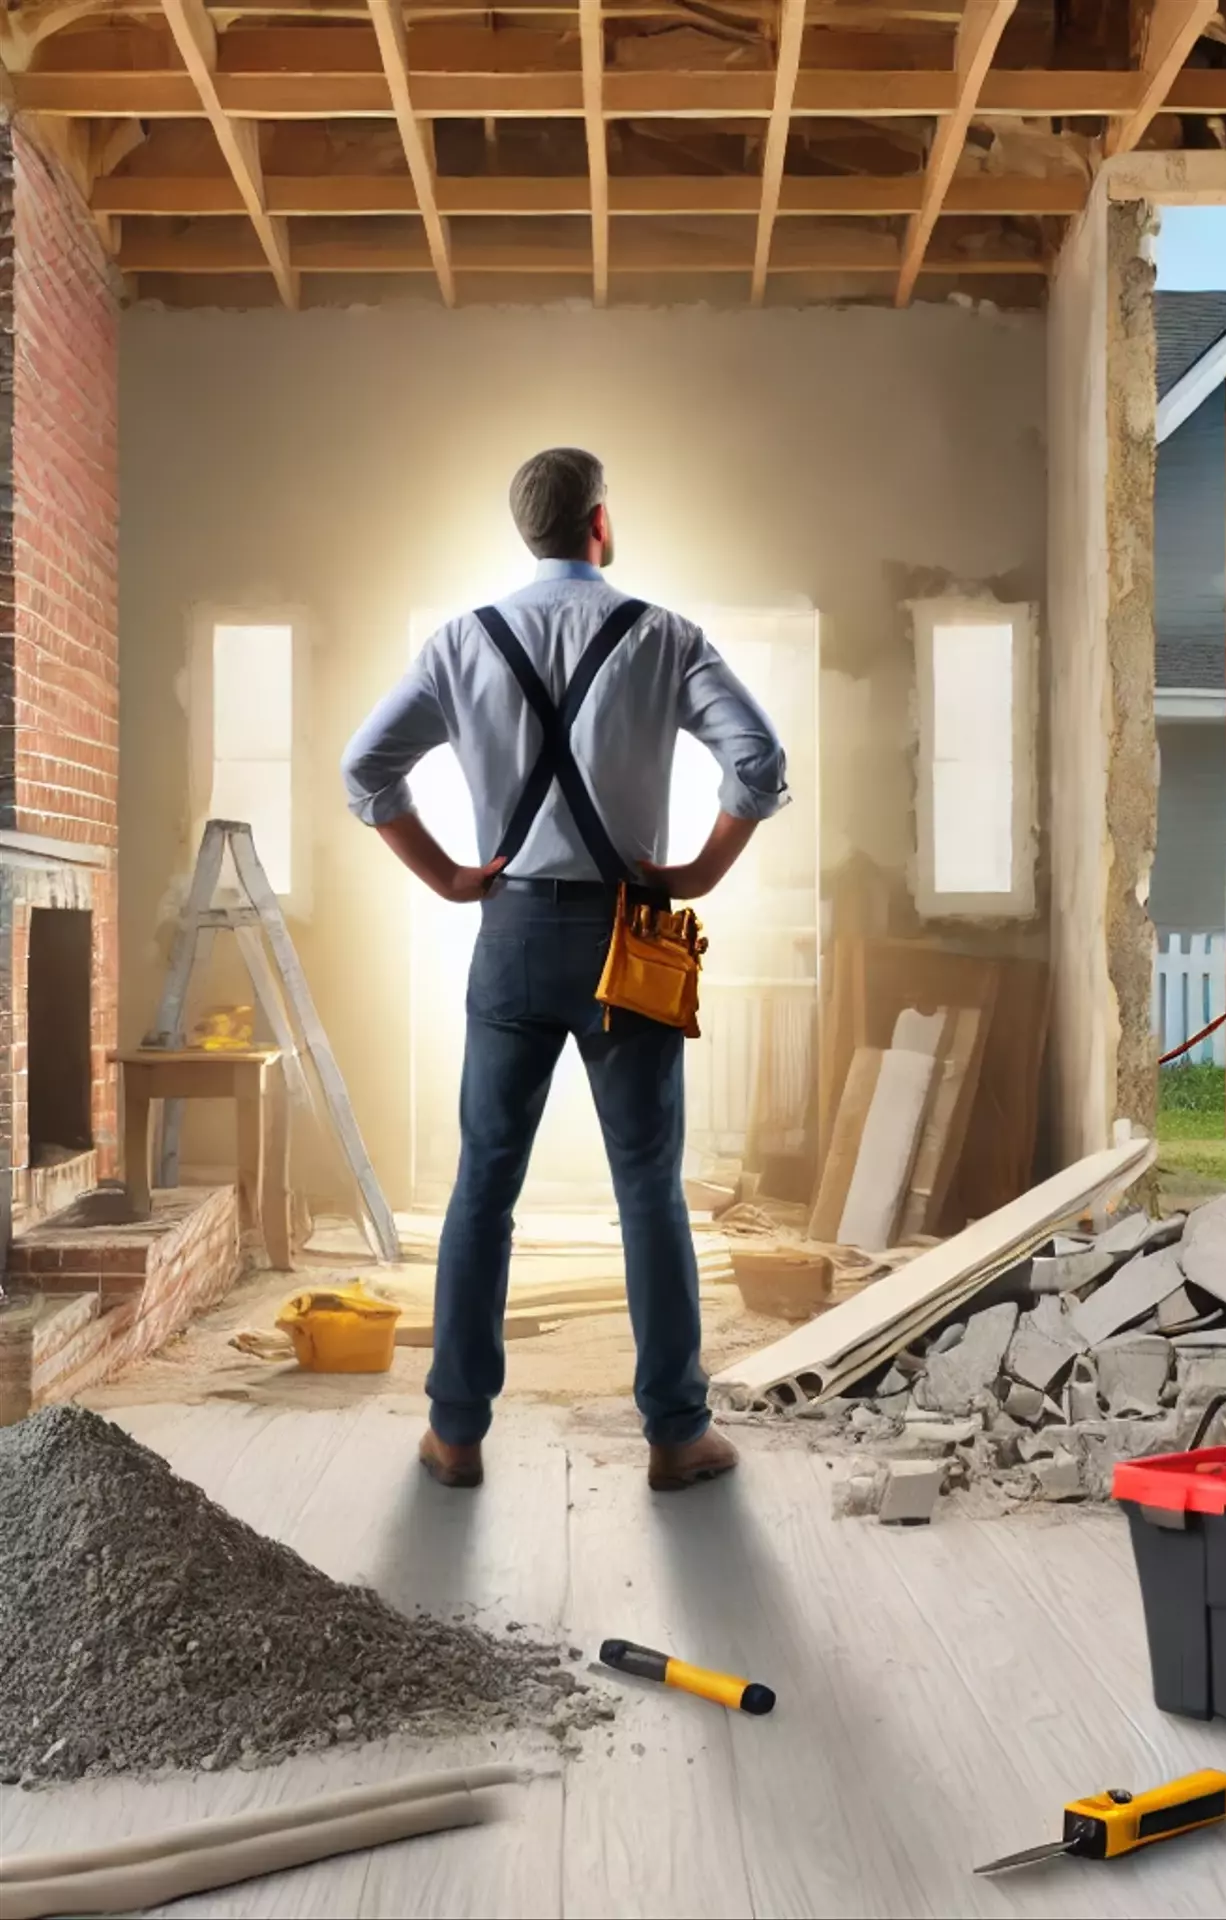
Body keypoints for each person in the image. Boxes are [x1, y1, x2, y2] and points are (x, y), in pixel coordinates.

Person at [341, 447, 787, 1493]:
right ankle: (678, 1435)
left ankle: (455, 1435)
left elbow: (366, 769)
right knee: (649, 1190)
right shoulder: (664, 636)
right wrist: (702, 872)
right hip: (629, 937)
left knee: (483, 1189)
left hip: (509, 934)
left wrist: (451, 873)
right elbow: (757, 760)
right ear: (600, 522)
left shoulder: (462, 641)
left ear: (527, 530)